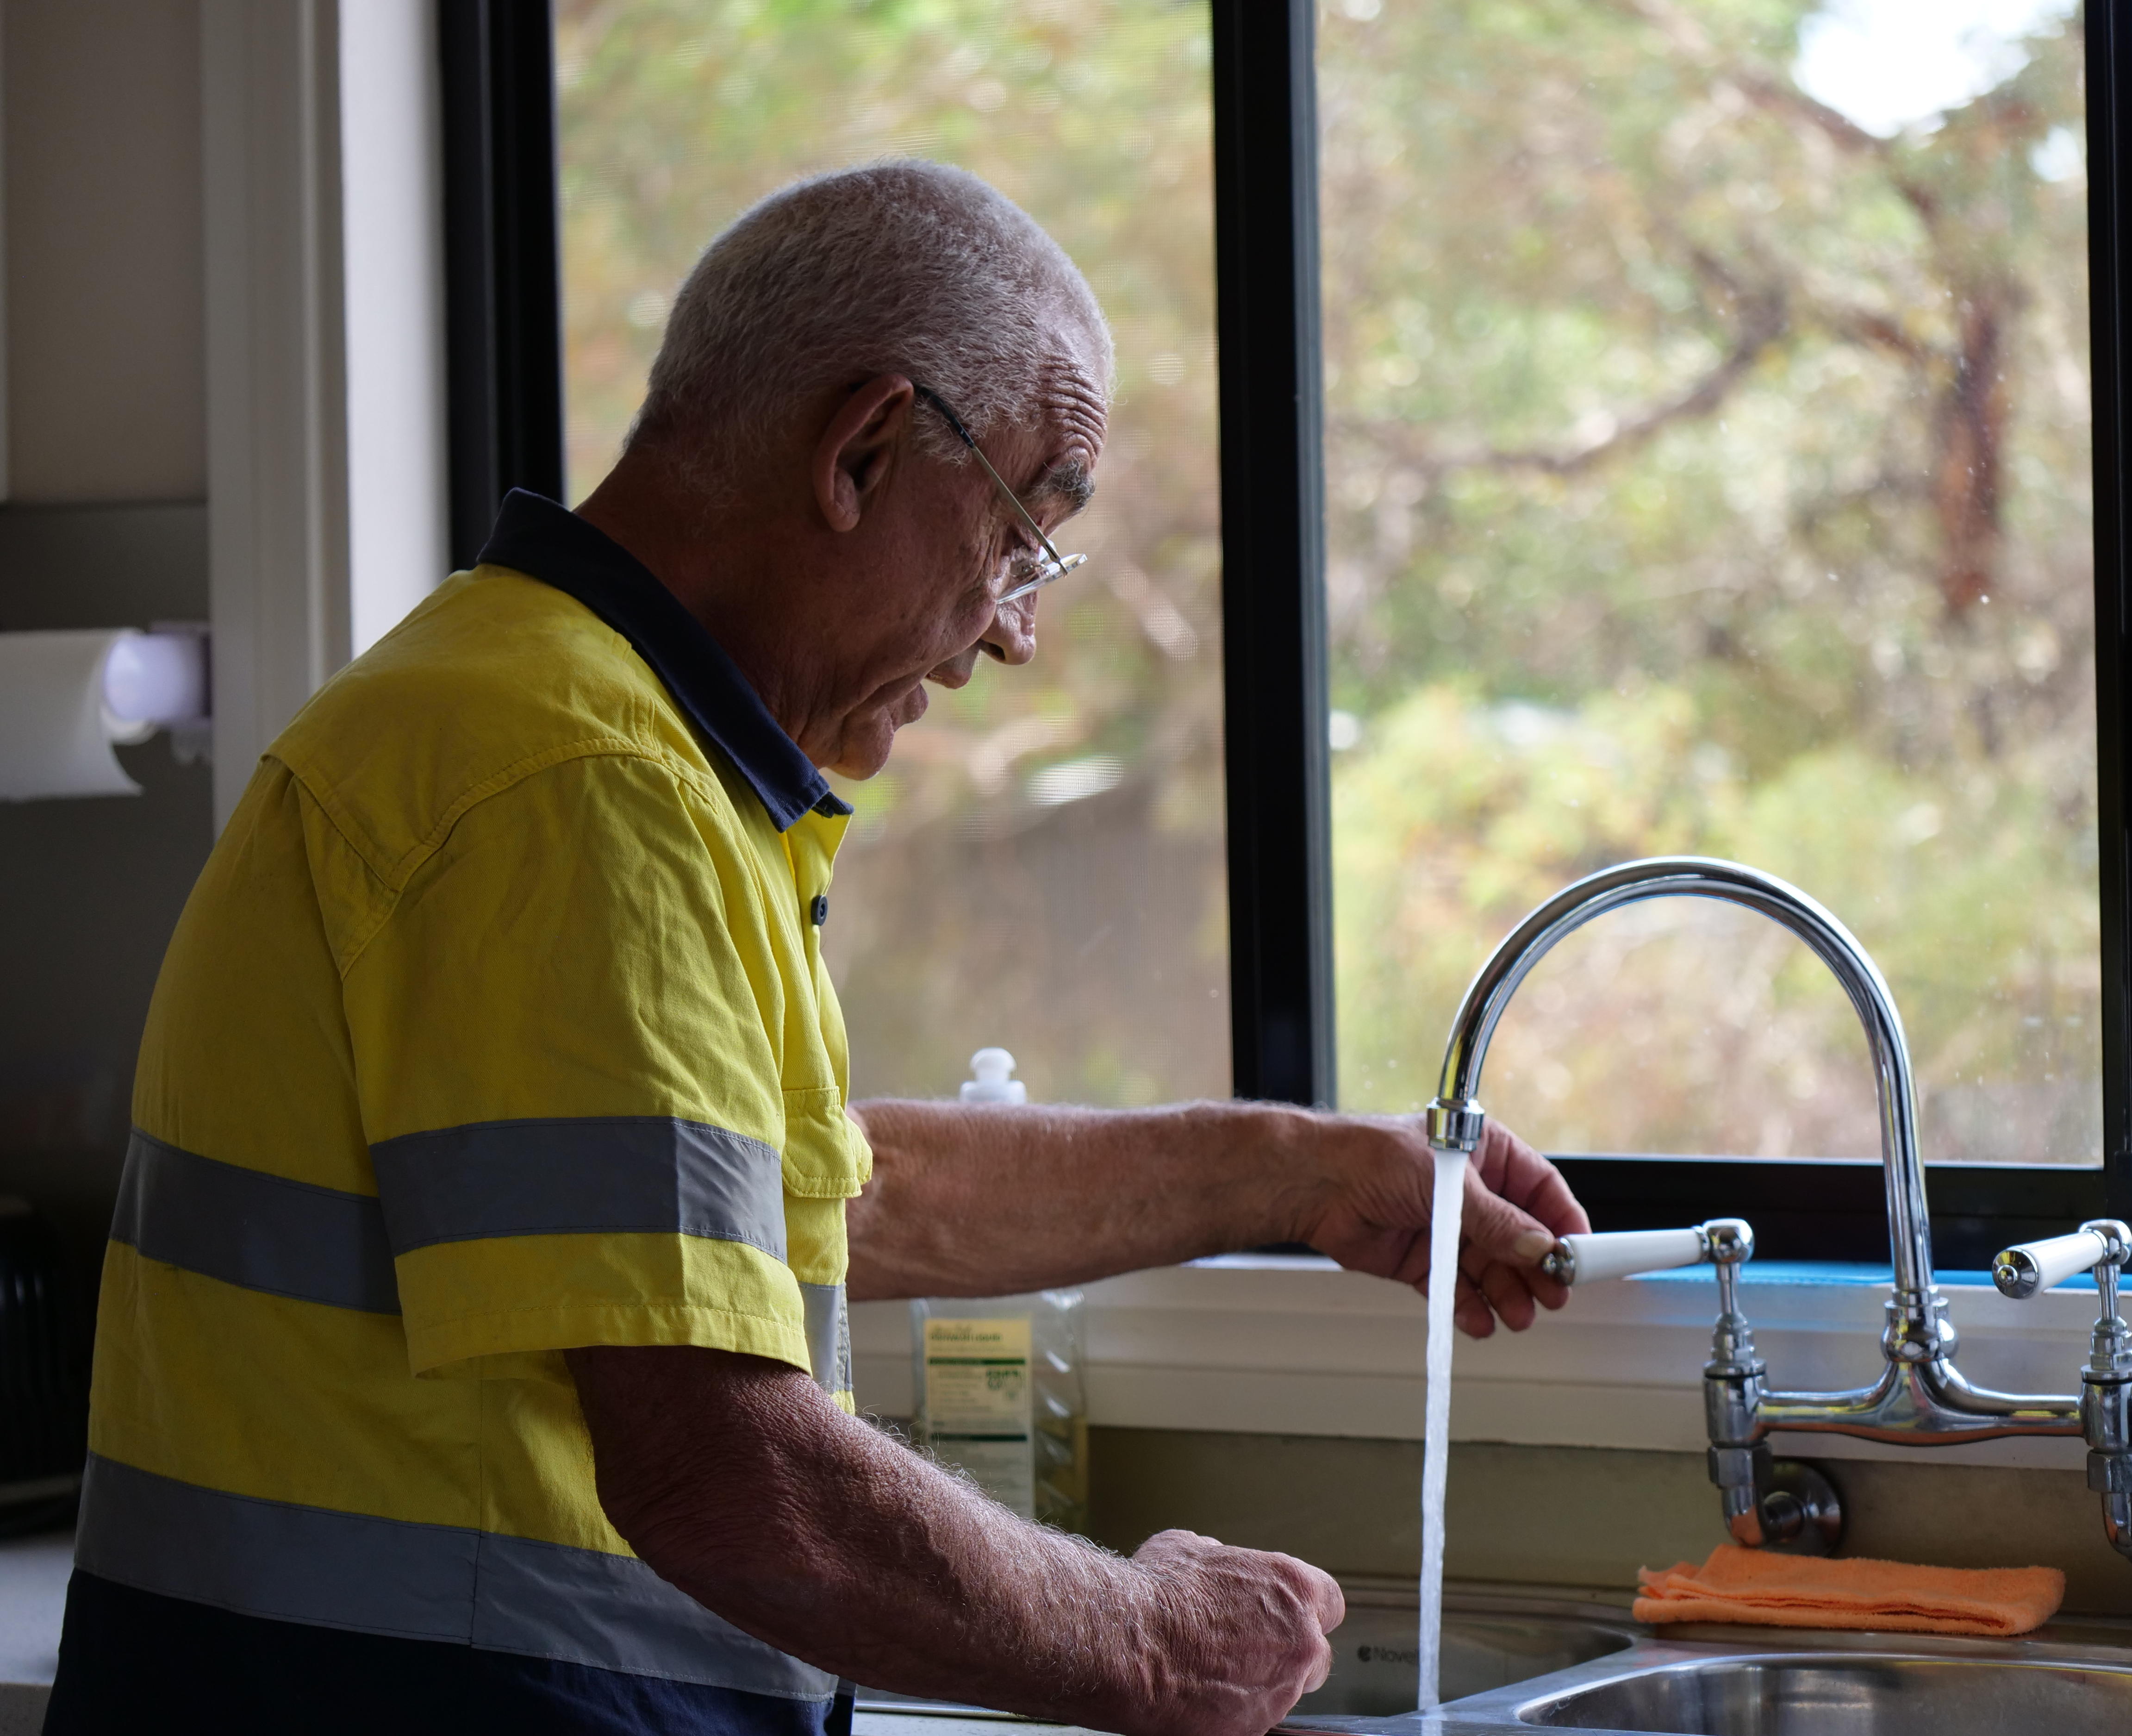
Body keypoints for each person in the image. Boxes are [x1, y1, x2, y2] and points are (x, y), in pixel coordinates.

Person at [45, 162, 1587, 1736]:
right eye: (1023, 533)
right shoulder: (579, 785)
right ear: (858, 453)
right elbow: (729, 1475)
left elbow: (798, 1208)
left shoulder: (544, 718)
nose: (1013, 633)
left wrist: (1303, 1173)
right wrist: (1148, 1641)